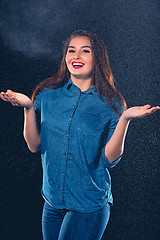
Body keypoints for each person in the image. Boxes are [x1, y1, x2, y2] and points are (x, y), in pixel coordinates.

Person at [0, 30, 159, 240]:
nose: (76, 56)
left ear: (98, 58)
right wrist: (28, 107)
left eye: (85, 51)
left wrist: (125, 119)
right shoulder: (47, 93)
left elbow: (108, 160)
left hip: (89, 204)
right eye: (71, 51)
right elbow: (34, 145)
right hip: (52, 202)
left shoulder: (110, 102)